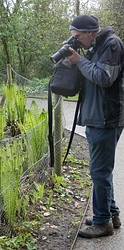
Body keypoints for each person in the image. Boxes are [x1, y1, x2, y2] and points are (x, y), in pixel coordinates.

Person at [66, 15, 124, 238]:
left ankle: (102, 223)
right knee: (101, 171)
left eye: (78, 37)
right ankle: (111, 214)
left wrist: (79, 61)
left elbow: (103, 77)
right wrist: (76, 60)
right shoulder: (95, 46)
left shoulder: (112, 44)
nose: (77, 41)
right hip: (96, 117)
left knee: (99, 171)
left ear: (90, 32)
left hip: (106, 118)